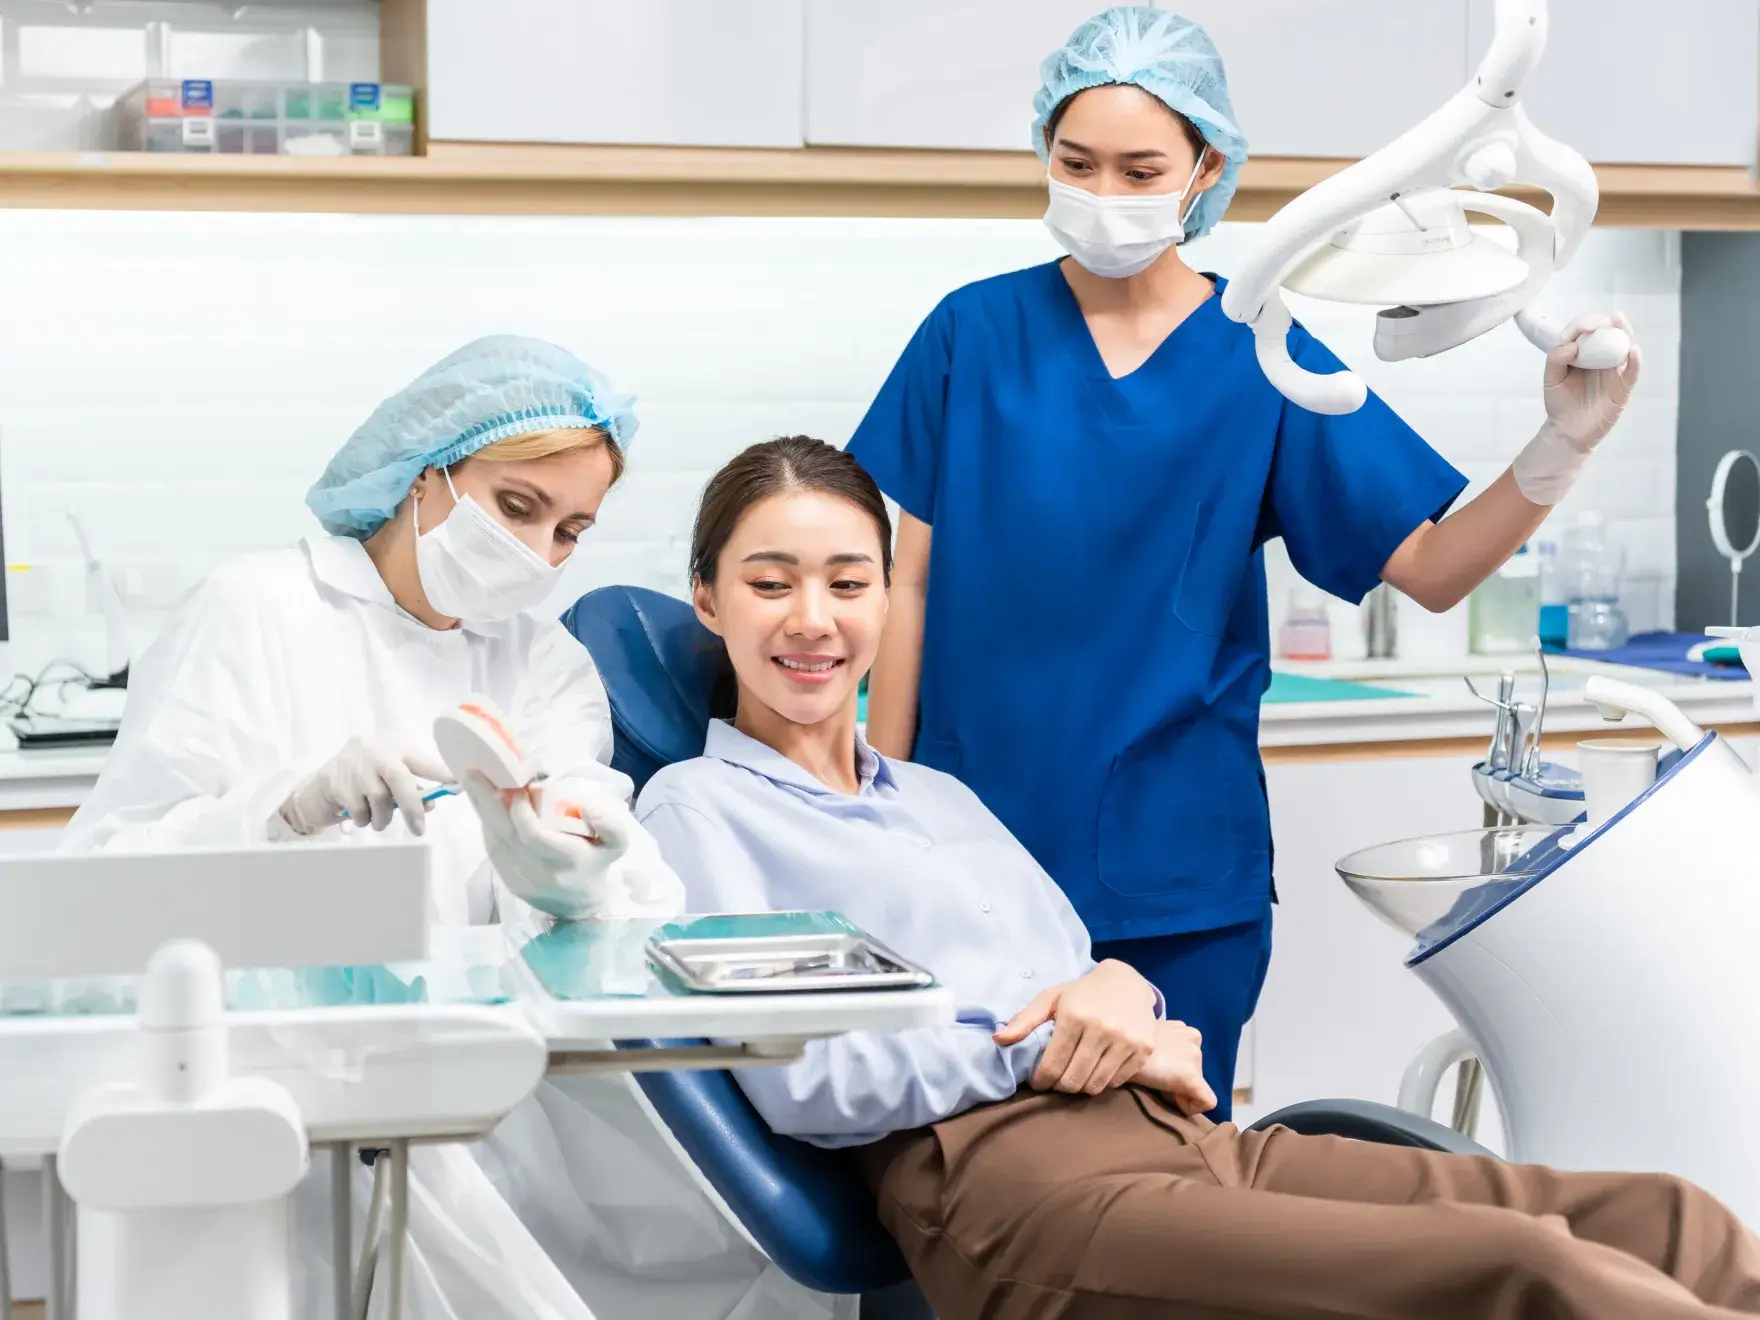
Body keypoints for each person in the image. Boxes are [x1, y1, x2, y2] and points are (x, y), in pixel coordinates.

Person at [636, 436, 1760, 1320]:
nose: (813, 620)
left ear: (886, 598)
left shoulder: (936, 798)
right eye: (770, 584)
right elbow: (806, 1075)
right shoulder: (698, 809)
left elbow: (1080, 979)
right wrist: (1046, 1042)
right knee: (1525, 1273)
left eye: (847, 582)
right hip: (1018, 1192)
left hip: (1186, 1144)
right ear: (708, 600)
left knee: (1661, 1220)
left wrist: (1124, 993)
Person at [846, 6, 1644, 1121]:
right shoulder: (967, 334)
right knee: (972, 1184)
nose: (1103, 192)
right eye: (1075, 162)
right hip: (971, 853)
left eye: (1140, 170)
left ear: (1205, 169)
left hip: (1174, 880)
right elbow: (909, 584)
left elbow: (1428, 567)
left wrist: (1563, 444)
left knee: (1169, 1191)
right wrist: (882, 817)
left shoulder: (1256, 348)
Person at [61, 338, 838, 1320]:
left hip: (481, 1083)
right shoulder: (256, 611)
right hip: (265, 1077)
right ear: (425, 475)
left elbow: (604, 869)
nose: (539, 553)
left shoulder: (544, 665)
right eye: (516, 507)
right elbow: (103, 878)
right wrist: (281, 811)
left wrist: (570, 867)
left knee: (717, 1255)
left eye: (570, 530)